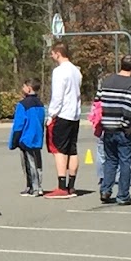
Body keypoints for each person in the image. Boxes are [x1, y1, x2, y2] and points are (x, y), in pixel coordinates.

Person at [95, 56, 131, 205]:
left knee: (110, 160)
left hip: (107, 126)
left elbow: (97, 102)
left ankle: (105, 190)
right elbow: (129, 107)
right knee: (125, 162)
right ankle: (123, 195)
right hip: (122, 129)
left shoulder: (106, 81)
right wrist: (127, 125)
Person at [44, 41, 83, 196]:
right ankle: (71, 185)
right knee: (72, 149)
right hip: (75, 114)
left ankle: (61, 186)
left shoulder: (60, 71)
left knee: (59, 150)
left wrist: (51, 114)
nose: (51, 56)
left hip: (63, 114)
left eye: (53, 53)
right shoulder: (76, 71)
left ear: (58, 53)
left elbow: (57, 96)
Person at [9, 81, 46, 194]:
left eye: (24, 86)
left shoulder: (22, 104)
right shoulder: (40, 104)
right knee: (37, 162)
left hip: (26, 138)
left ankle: (34, 187)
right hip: (37, 137)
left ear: (29, 88)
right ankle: (37, 185)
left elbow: (19, 124)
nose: (22, 88)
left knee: (29, 163)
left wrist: (14, 141)